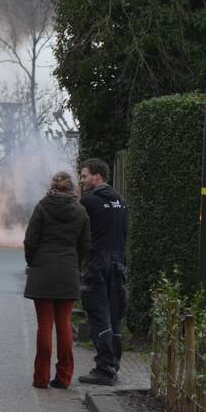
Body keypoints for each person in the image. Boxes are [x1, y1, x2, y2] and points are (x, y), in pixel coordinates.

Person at [23, 171, 91, 390]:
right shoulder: (80, 211)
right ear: (72, 188)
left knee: (44, 325)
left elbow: (30, 240)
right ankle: (63, 377)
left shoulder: (42, 206)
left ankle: (40, 377)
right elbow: (85, 245)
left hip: (43, 271)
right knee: (64, 324)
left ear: (52, 186)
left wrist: (33, 263)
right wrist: (74, 264)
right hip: (68, 272)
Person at [77, 158, 128, 385]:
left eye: (85, 175)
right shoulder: (121, 201)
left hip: (97, 262)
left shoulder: (89, 202)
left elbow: (80, 235)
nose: (82, 179)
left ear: (98, 176)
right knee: (114, 314)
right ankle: (114, 364)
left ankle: (104, 369)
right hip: (118, 263)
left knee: (98, 314)